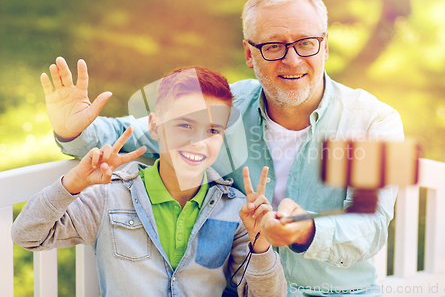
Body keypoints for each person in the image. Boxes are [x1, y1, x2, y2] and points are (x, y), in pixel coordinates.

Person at [41, 0, 404, 296]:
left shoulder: (375, 122)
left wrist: (304, 230)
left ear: (325, 46)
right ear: (249, 53)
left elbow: (370, 226)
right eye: (274, 46)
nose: (292, 60)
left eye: (306, 43)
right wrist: (74, 129)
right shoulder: (225, 109)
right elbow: (130, 135)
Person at [12, 67, 287, 297]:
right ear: (154, 126)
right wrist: (72, 183)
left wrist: (260, 244)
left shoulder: (235, 211)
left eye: (212, 130)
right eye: (185, 125)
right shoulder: (109, 197)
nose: (199, 141)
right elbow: (27, 234)